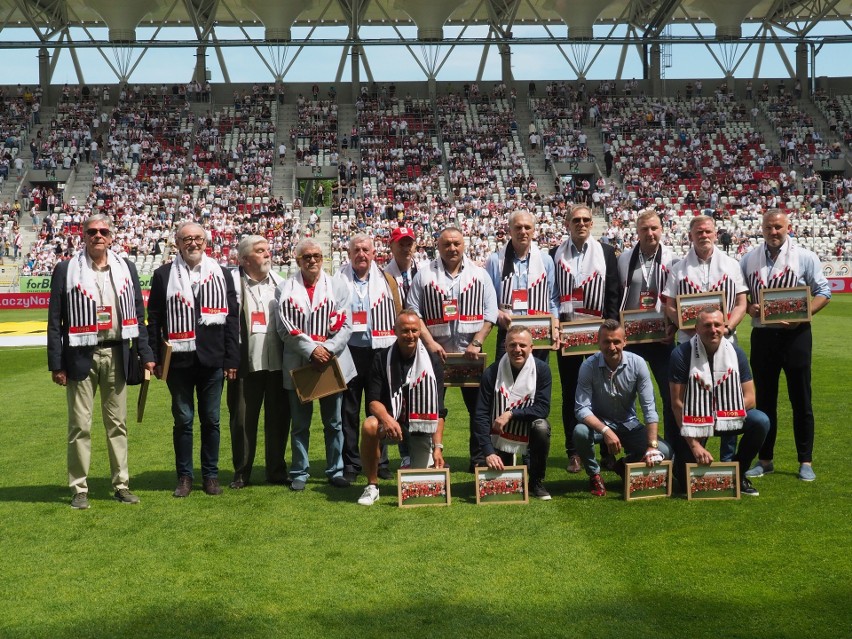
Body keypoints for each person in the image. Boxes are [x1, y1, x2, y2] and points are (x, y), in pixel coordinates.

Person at [48, 214, 154, 509]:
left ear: (111, 236)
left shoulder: (125, 267)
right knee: (79, 425)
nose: (98, 235)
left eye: (103, 231)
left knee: (117, 424)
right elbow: (55, 321)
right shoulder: (67, 269)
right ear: (83, 235)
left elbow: (138, 314)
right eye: (92, 230)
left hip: (117, 352)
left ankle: (121, 484)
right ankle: (79, 487)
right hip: (81, 354)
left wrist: (146, 355)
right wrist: (57, 364)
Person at [147, 222, 240, 498]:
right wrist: (153, 357)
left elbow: (232, 320)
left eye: (198, 238)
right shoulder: (163, 275)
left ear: (206, 241)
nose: (193, 243)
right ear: (177, 243)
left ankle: (210, 475)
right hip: (177, 361)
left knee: (211, 420)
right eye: (187, 239)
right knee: (183, 420)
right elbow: (154, 320)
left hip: (212, 360)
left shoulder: (222, 273)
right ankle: (185, 476)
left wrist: (231, 359)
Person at [740, 210, 831, 481]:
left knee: (801, 399)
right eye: (769, 227)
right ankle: (765, 459)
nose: (773, 232)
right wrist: (750, 308)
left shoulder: (805, 256)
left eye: (778, 227)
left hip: (797, 336)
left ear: (788, 227)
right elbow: (740, 295)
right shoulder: (748, 258)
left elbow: (824, 292)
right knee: (764, 401)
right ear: (762, 229)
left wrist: (804, 313)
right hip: (764, 336)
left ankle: (805, 460)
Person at [408, 227, 497, 471]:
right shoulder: (424, 275)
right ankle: (430, 458)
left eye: (456, 243)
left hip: (471, 355)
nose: (452, 248)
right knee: (432, 407)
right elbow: (414, 312)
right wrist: (431, 343)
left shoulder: (480, 275)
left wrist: (477, 342)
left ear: (464, 244)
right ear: (438, 247)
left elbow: (490, 313)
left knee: (479, 409)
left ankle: (479, 458)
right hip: (435, 355)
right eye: (446, 244)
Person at [663, 214, 748, 462]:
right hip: (688, 344)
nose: (704, 236)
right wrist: (689, 326)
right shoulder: (678, 268)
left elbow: (742, 302)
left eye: (708, 231)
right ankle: (696, 452)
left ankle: (728, 459)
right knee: (692, 398)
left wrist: (727, 328)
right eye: (699, 232)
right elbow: (668, 305)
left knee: (728, 395)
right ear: (691, 236)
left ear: (715, 233)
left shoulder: (732, 265)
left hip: (726, 342)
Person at [276, 238, 356, 491]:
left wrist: (327, 349)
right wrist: (312, 350)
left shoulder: (337, 286)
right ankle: (300, 471)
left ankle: (336, 469)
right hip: (300, 364)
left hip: (330, 363)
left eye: (317, 256)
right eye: (307, 256)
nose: (312, 260)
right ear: (298, 260)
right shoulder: (285, 288)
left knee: (333, 422)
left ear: (323, 259)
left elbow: (346, 325)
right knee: (300, 424)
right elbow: (283, 329)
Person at [669, 307, 770, 496]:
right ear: (697, 328)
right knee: (685, 485)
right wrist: (694, 445)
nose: (713, 329)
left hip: (725, 416)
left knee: (760, 420)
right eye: (707, 325)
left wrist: (720, 411)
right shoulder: (681, 354)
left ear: (724, 327)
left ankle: (738, 473)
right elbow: (677, 403)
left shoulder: (736, 353)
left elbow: (750, 398)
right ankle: (682, 463)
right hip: (694, 420)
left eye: (717, 325)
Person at [551, 204, 620, 474]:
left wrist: (611, 331)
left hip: (598, 335)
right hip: (567, 335)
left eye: (586, 220)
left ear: (592, 224)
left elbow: (612, 292)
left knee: (603, 393)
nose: (581, 224)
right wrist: (556, 325)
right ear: (567, 223)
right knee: (570, 392)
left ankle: (607, 450)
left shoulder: (605, 252)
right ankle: (574, 452)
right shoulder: (554, 253)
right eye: (576, 220)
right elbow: (552, 295)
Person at [356, 310, 446, 505]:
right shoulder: (381, 358)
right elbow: (372, 401)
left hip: (420, 426)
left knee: (421, 490)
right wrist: (388, 420)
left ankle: (414, 460)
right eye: (405, 330)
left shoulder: (433, 361)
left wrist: (438, 448)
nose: (411, 335)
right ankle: (372, 486)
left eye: (415, 330)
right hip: (391, 424)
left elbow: (439, 410)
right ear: (394, 331)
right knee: (370, 426)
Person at [573, 320, 671, 496]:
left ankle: (624, 464)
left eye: (616, 342)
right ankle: (594, 475)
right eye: (606, 342)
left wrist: (652, 446)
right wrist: (606, 431)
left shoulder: (638, 363)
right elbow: (581, 409)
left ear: (624, 342)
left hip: (629, 423)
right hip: (600, 424)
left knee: (665, 452)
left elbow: (649, 408)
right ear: (598, 342)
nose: (612, 347)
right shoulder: (588, 366)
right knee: (580, 431)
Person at [334, 234, 402, 484]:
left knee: (379, 407)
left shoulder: (387, 280)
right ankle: (351, 462)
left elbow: (398, 310)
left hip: (379, 351)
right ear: (349, 253)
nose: (361, 254)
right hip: (349, 350)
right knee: (348, 410)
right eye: (356, 250)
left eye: (366, 250)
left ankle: (380, 460)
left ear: (374, 253)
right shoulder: (337, 279)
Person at [226, 235, 289, 489]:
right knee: (242, 420)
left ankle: (276, 470)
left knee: (278, 419)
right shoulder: (231, 284)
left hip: (278, 364)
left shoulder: (282, 284)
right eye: (260, 250)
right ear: (244, 259)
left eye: (267, 249)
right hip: (245, 365)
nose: (267, 254)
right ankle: (242, 471)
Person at [617, 209, 678, 446]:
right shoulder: (624, 258)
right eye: (645, 229)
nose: (650, 233)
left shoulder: (673, 259)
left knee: (669, 393)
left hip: (663, 338)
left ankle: (671, 445)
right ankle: (628, 446)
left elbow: (677, 299)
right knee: (623, 396)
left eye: (654, 228)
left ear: (662, 230)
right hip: (631, 339)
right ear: (637, 232)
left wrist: (674, 324)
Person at [473, 326, 553, 500]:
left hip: (526, 426)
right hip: (499, 433)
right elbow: (480, 414)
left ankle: (536, 481)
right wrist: (488, 452)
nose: (517, 350)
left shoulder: (542, 370)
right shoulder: (492, 372)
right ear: (505, 346)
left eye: (522, 345)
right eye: (512, 345)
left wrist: (511, 414)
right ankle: (499, 457)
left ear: (531, 348)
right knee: (499, 479)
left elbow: (542, 408)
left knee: (541, 426)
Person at [485, 210, 559, 362]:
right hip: (507, 332)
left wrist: (556, 327)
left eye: (527, 227)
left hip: (539, 333)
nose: (523, 232)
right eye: (518, 227)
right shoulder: (494, 261)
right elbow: (488, 300)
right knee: (504, 382)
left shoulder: (546, 261)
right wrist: (499, 314)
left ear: (534, 230)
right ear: (510, 230)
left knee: (537, 381)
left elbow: (552, 299)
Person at [384, 226, 420, 304]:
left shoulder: (422, 270)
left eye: (409, 244)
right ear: (391, 247)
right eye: (401, 245)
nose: (406, 249)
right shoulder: (385, 276)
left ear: (414, 246)